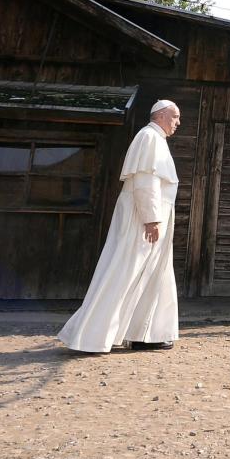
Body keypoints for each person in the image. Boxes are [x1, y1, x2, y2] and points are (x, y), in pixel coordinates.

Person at [58, 100, 182, 352]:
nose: (178, 123)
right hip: (143, 218)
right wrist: (151, 219)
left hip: (155, 217)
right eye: (175, 117)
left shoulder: (157, 140)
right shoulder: (148, 137)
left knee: (152, 275)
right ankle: (91, 336)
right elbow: (145, 181)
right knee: (126, 270)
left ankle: (143, 334)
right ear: (160, 115)